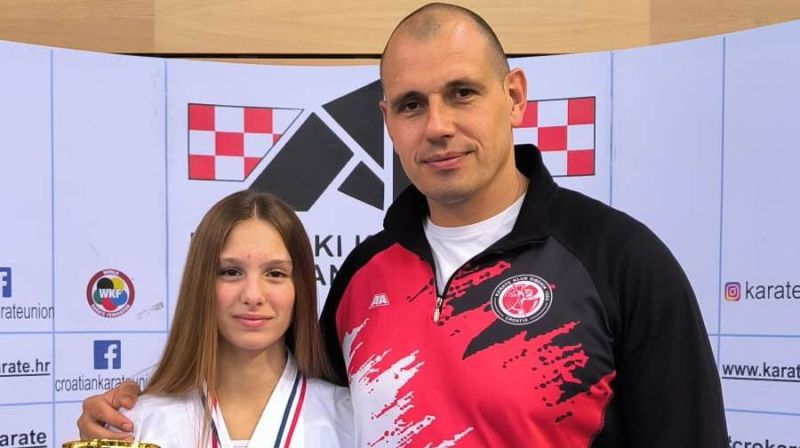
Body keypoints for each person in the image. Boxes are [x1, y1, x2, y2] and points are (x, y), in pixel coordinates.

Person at [78, 3, 728, 447]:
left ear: (514, 96)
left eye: (462, 93)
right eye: (412, 105)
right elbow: (283, 398)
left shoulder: (620, 261)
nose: (438, 126)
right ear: (388, 121)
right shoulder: (365, 276)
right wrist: (140, 409)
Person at [82, 190, 353, 447]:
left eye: (275, 274)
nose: (253, 295)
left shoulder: (350, 419)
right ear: (201, 284)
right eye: (231, 272)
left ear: (300, 287)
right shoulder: (137, 424)